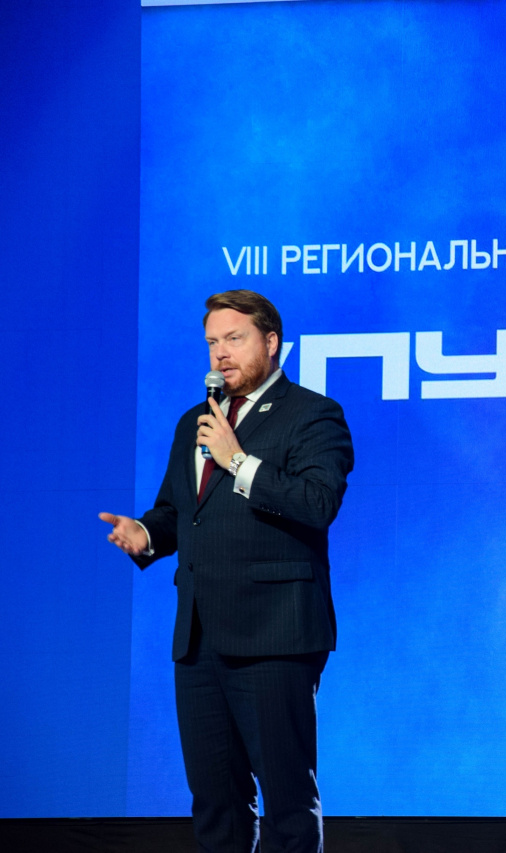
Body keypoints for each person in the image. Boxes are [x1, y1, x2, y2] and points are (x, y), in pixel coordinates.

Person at [100, 290, 354, 853]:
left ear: (271, 341)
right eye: (213, 342)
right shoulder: (194, 421)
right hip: (198, 638)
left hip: (275, 634)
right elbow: (178, 512)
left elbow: (316, 503)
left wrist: (237, 460)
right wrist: (145, 534)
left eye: (234, 339)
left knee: (287, 800)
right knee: (215, 800)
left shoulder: (313, 414)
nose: (220, 353)